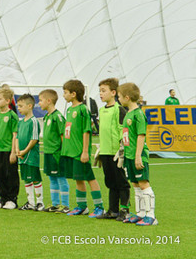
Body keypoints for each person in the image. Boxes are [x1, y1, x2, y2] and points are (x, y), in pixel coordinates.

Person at [61, 79, 105, 217]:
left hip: (80, 152)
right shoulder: (69, 110)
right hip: (70, 152)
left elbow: (86, 131)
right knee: (78, 179)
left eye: (65, 92)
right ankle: (82, 206)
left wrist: (85, 151)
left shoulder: (82, 110)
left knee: (90, 178)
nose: (63, 95)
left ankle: (99, 207)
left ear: (73, 94)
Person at [118, 82, 157, 225]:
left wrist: (138, 155)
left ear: (127, 97)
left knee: (143, 183)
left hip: (137, 156)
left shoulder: (138, 114)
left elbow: (141, 135)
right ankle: (140, 213)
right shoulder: (128, 113)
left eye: (120, 96)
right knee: (135, 184)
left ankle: (151, 216)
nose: (119, 99)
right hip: (129, 155)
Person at [95, 78, 131, 219]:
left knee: (122, 182)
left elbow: (123, 131)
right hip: (105, 152)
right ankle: (112, 210)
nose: (101, 94)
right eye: (100, 91)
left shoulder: (119, 110)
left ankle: (124, 210)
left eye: (104, 91)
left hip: (116, 153)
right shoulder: (101, 110)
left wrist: (122, 150)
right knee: (110, 182)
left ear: (113, 92)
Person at [39, 89, 70, 213]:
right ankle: (56, 204)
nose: (39, 103)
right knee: (52, 178)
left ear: (49, 101)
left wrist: (64, 153)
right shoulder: (47, 116)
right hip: (48, 153)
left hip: (57, 153)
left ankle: (66, 205)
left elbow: (63, 136)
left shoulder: (58, 116)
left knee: (61, 177)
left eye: (40, 100)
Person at [0, 87, 19, 209]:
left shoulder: (12, 115)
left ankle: (12, 199)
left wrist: (13, 152)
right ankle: (2, 199)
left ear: (7, 101)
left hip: (9, 150)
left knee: (11, 175)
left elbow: (15, 135)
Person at [14, 94, 42, 211]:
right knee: (26, 179)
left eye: (20, 106)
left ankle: (40, 203)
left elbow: (34, 139)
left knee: (35, 178)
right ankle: (30, 203)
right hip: (21, 155)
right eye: (18, 106)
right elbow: (17, 137)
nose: (18, 108)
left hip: (31, 156)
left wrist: (25, 150)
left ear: (30, 106)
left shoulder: (34, 121)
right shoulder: (20, 122)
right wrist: (17, 150)